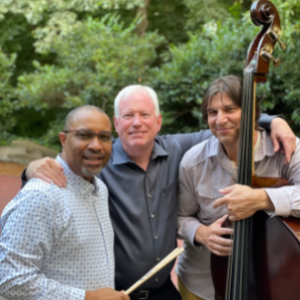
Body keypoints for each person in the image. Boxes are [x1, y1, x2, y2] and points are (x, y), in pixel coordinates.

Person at [22, 85, 296, 300]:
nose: (137, 122)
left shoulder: (182, 148)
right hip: (116, 293)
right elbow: (66, 166)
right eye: (128, 116)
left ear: (158, 121)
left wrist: (274, 121)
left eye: (144, 115)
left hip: (165, 290)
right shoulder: (98, 158)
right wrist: (30, 169)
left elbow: (226, 124)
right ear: (116, 124)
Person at [176, 75, 300, 300]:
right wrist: (202, 234)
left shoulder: (288, 148)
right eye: (212, 113)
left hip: (276, 280)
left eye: (229, 109)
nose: (220, 120)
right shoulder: (192, 161)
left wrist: (262, 198)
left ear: (252, 112)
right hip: (202, 283)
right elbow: (180, 217)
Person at [0, 106, 129, 300]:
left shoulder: (100, 189)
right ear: (63, 139)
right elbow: (10, 280)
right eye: (84, 135)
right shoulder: (41, 195)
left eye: (104, 137)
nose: (96, 145)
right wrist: (87, 298)